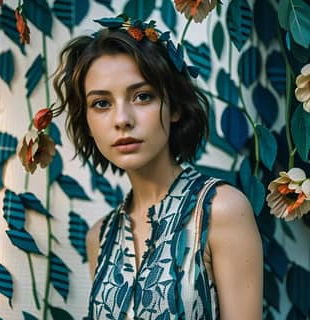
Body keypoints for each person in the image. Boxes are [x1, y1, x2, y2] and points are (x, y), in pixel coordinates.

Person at [53, 15, 263, 320]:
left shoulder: (221, 211)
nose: (121, 119)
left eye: (142, 96)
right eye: (101, 103)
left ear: (175, 107)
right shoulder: (99, 237)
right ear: (87, 121)